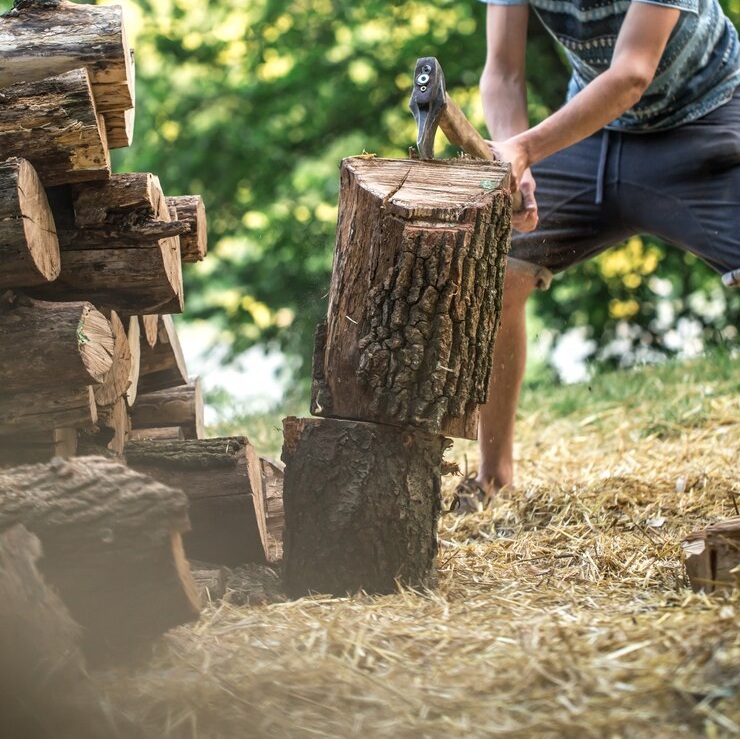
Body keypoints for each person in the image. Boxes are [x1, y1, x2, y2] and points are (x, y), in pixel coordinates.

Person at [455, 0, 740, 511]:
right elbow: (502, 73)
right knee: (495, 272)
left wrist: (527, 147)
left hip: (707, 121)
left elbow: (632, 73)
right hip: (595, 134)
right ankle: (493, 480)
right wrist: (513, 165)